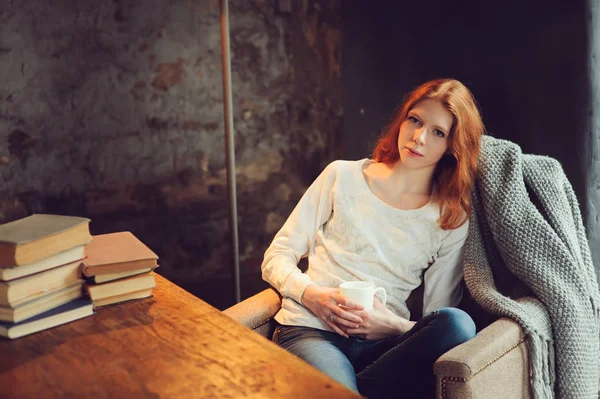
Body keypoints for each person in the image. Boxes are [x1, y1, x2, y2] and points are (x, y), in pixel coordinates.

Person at [261, 78, 486, 398]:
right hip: (313, 333)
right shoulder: (341, 176)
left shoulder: (449, 217)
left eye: (438, 132)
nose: (419, 138)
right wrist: (314, 297)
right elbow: (277, 255)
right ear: (403, 119)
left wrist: (391, 326)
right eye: (415, 120)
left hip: (386, 347)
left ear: (453, 146)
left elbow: (436, 317)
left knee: (459, 325)